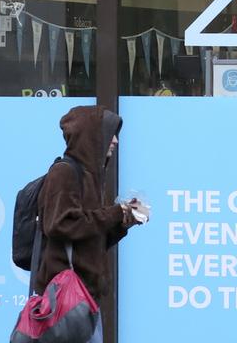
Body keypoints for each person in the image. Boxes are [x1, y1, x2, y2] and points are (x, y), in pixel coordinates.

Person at [36, 105, 146, 343]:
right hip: (66, 299)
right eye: (109, 134)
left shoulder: (91, 177)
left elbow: (90, 236)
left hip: (85, 298)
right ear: (91, 137)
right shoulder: (64, 173)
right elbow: (60, 224)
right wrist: (116, 212)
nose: (115, 141)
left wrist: (123, 222)